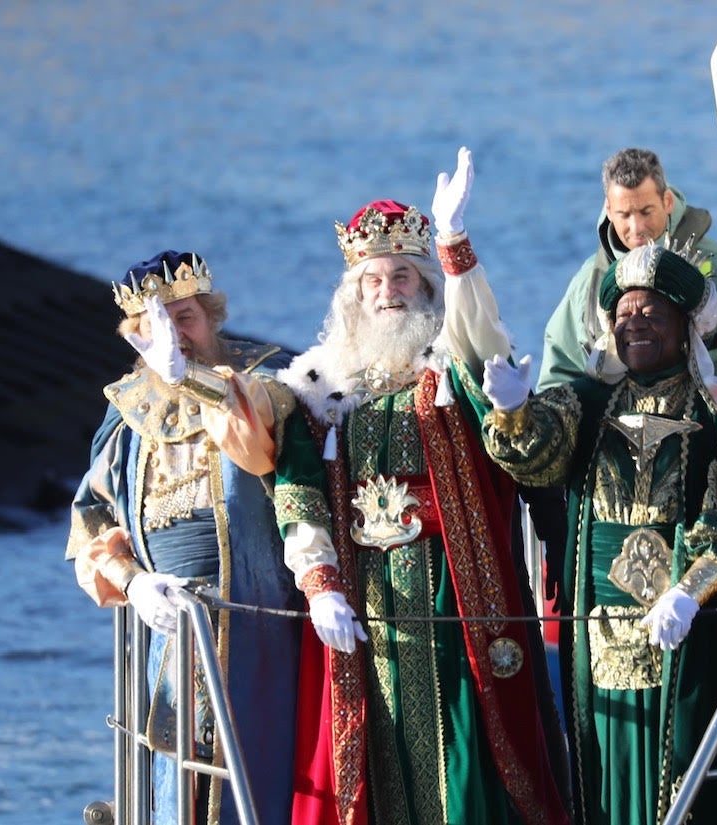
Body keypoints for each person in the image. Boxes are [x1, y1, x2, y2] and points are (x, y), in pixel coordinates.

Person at [216, 148, 571, 825]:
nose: (388, 290)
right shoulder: (320, 388)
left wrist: (455, 243)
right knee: (371, 767)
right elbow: (299, 493)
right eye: (374, 279)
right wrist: (319, 584)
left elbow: (484, 336)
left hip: (454, 594)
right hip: (365, 604)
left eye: (403, 276)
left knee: (469, 756)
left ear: (425, 288)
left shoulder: (450, 372)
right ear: (353, 295)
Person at [480, 243, 717, 824]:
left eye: (652, 314)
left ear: (685, 324)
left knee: (690, 768)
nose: (635, 325)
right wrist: (514, 412)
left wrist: (691, 591)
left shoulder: (716, 409)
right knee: (606, 764)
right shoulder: (587, 403)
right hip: (600, 633)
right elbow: (539, 457)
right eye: (623, 316)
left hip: (687, 627)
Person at [65, 250, 301, 824]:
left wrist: (190, 381)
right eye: (156, 326)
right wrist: (132, 581)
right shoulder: (126, 415)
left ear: (212, 316)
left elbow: (262, 435)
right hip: (170, 631)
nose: (175, 335)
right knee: (179, 785)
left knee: (263, 777)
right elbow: (90, 521)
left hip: (260, 625)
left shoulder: (265, 378)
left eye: (186, 317)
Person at [538, 147, 717, 393]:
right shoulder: (587, 284)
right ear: (609, 210)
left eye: (646, 212)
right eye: (624, 214)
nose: (637, 227)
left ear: (667, 202)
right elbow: (558, 376)